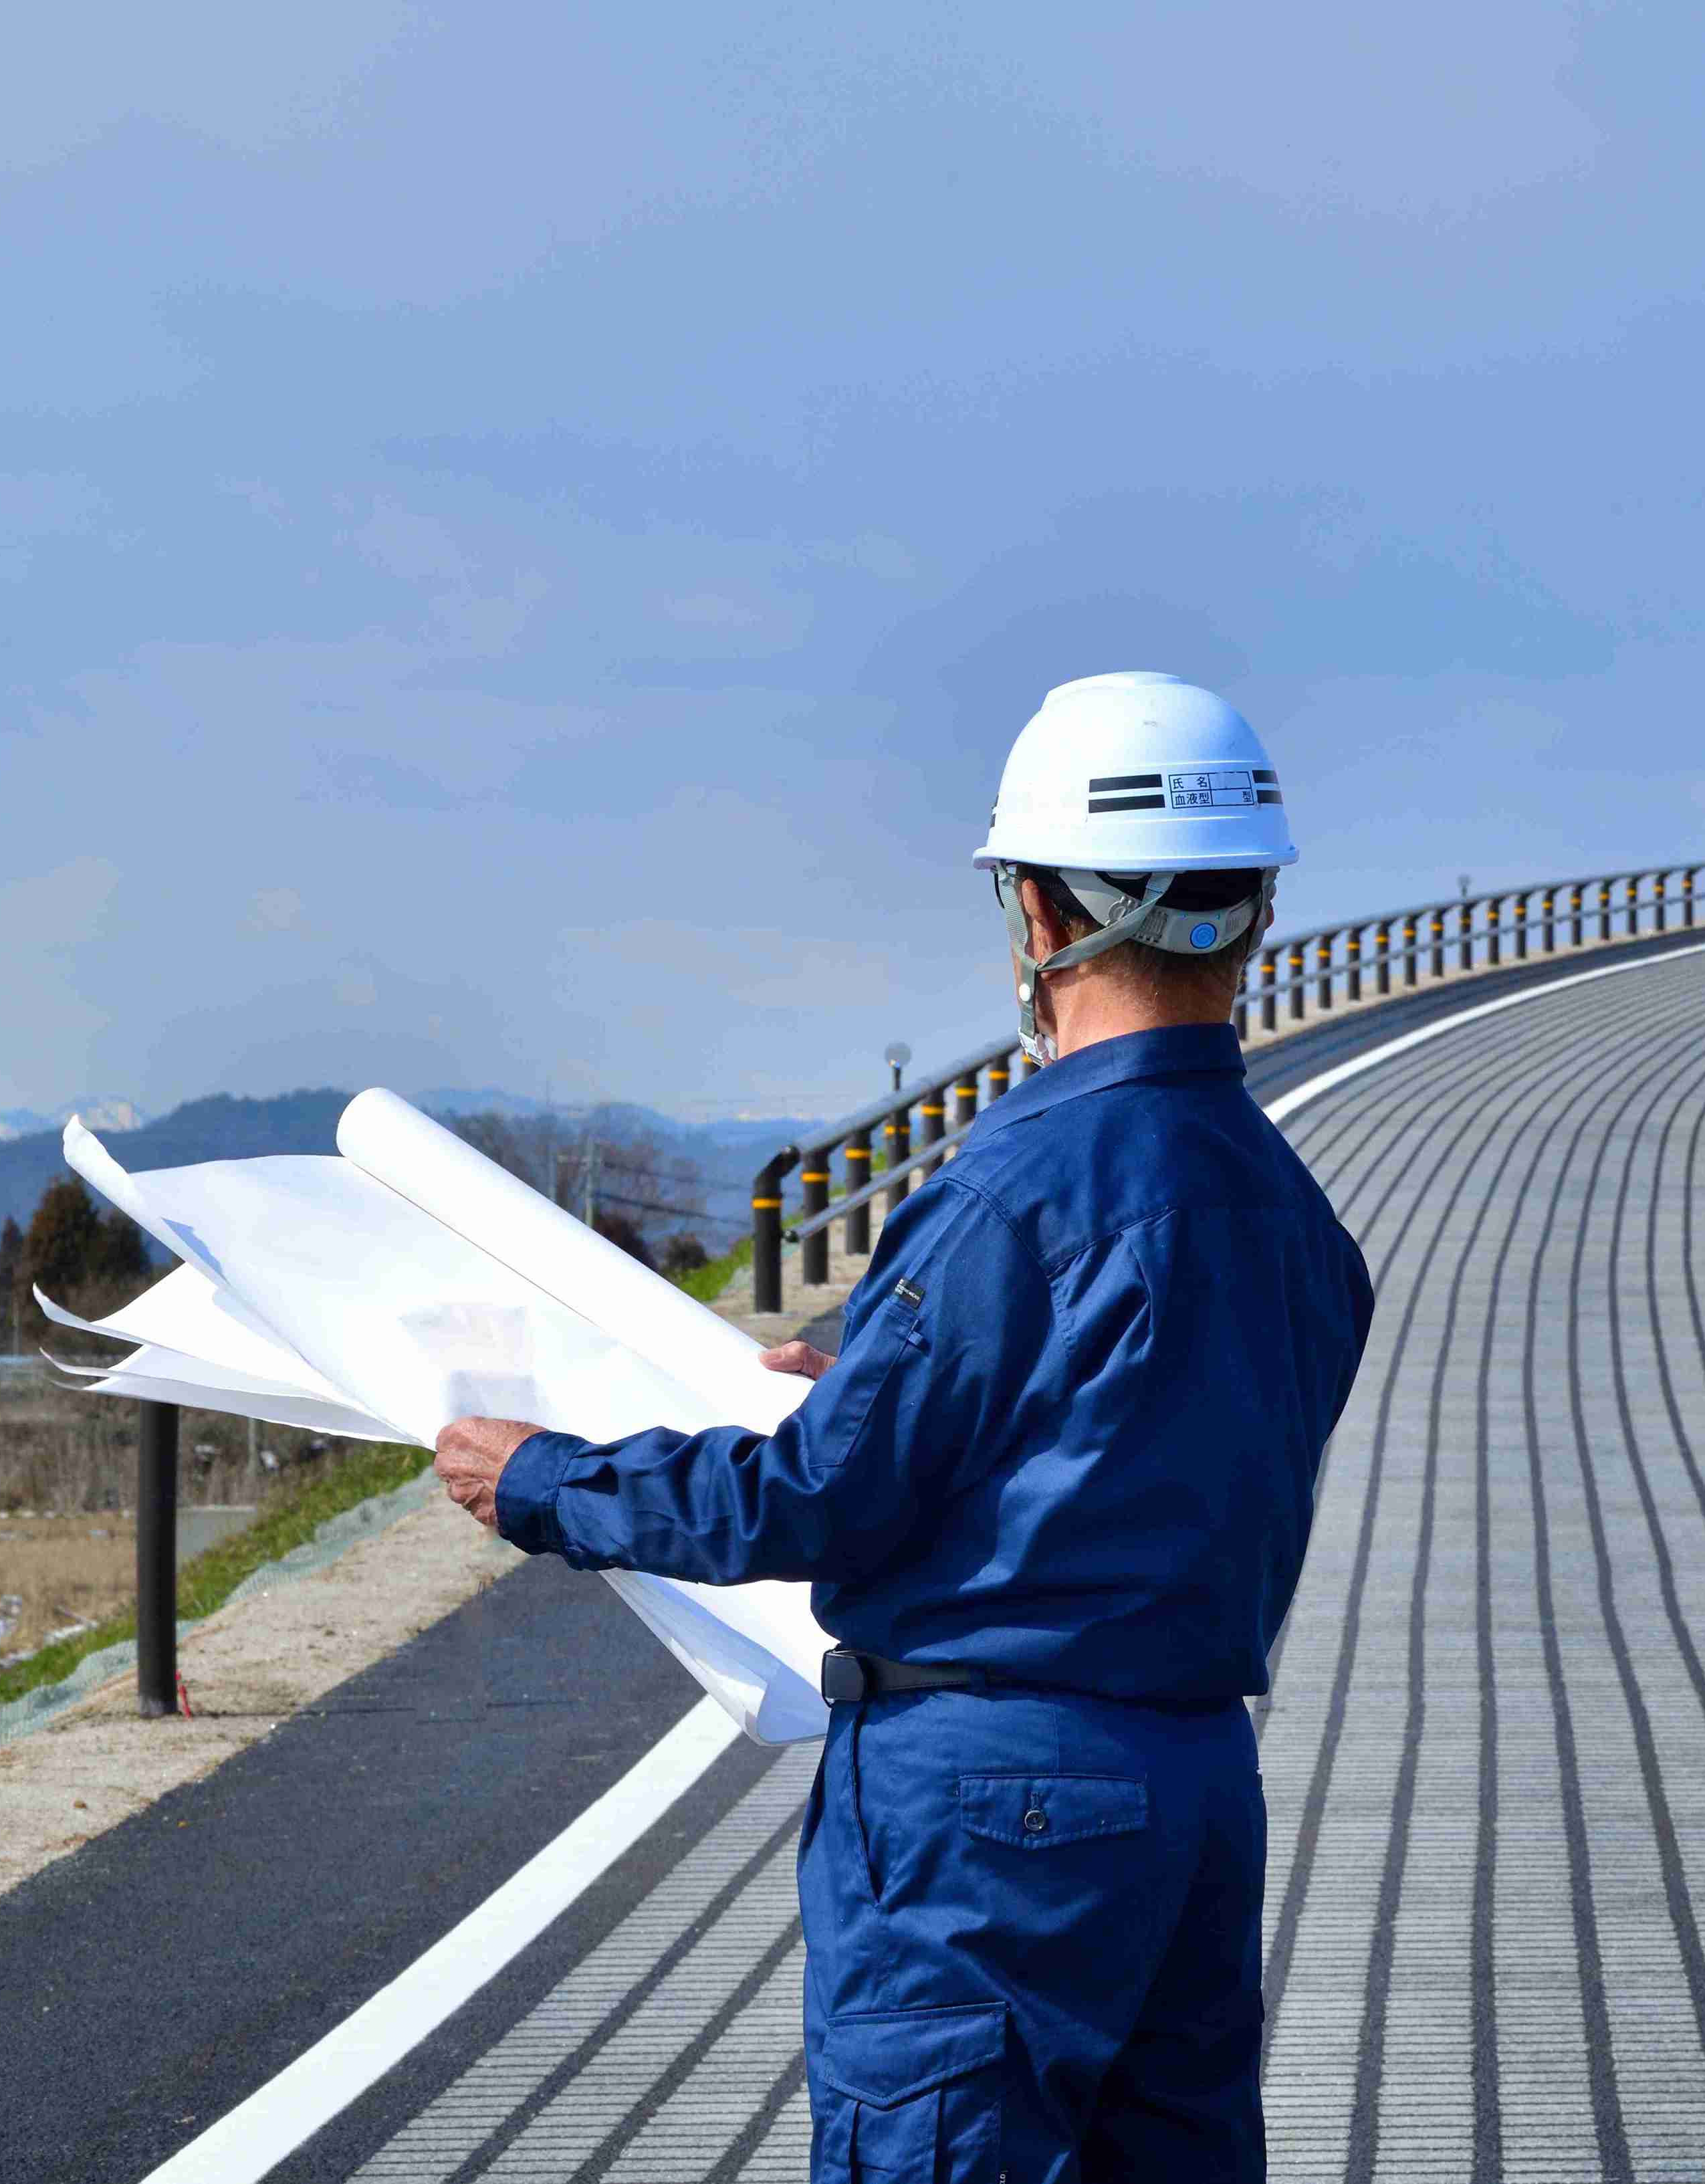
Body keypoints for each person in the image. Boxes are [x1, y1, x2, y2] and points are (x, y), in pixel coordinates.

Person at [431, 671, 1374, 2182]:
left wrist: (545, 1480)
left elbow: (815, 1500)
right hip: (1194, 1792)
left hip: (987, 1816)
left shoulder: (1015, 1179)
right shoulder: (1292, 1215)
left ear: (1044, 917)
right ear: (1254, 911)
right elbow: (1129, 1447)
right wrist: (898, 1383)